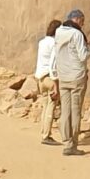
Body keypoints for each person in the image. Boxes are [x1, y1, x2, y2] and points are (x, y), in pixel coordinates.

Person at [51, 9, 90, 155]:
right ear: (78, 19)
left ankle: (66, 142)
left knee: (65, 111)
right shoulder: (77, 34)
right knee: (75, 111)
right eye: (82, 21)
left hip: (63, 76)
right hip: (76, 76)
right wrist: (89, 48)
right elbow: (83, 56)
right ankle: (73, 144)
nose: (83, 24)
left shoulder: (59, 32)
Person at [34, 17, 62, 145]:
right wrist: (56, 84)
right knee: (51, 106)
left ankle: (43, 132)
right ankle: (47, 135)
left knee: (45, 106)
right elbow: (53, 64)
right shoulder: (54, 44)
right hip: (49, 78)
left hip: (40, 78)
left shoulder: (42, 42)